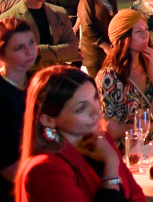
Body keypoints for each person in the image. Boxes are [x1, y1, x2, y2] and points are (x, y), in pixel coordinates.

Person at [16, 65, 146, 202]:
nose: (95, 111)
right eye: (81, 108)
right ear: (48, 119)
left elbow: (137, 194)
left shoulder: (102, 139)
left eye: (95, 98)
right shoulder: (45, 169)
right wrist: (111, 167)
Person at [96, 10, 153, 142]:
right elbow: (107, 127)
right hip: (125, 148)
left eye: (146, 29)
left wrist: (152, 72)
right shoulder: (109, 77)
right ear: (123, 37)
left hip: (152, 146)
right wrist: (142, 128)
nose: (146, 35)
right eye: (138, 31)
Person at [0, 0, 79, 69]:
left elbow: (72, 49)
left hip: (53, 75)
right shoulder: (8, 19)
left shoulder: (59, 14)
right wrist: (56, 51)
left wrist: (40, 51)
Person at [0, 18, 36, 201]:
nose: (30, 51)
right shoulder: (2, 95)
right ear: (2, 55)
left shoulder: (37, 83)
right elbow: (6, 165)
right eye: (19, 48)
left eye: (31, 43)